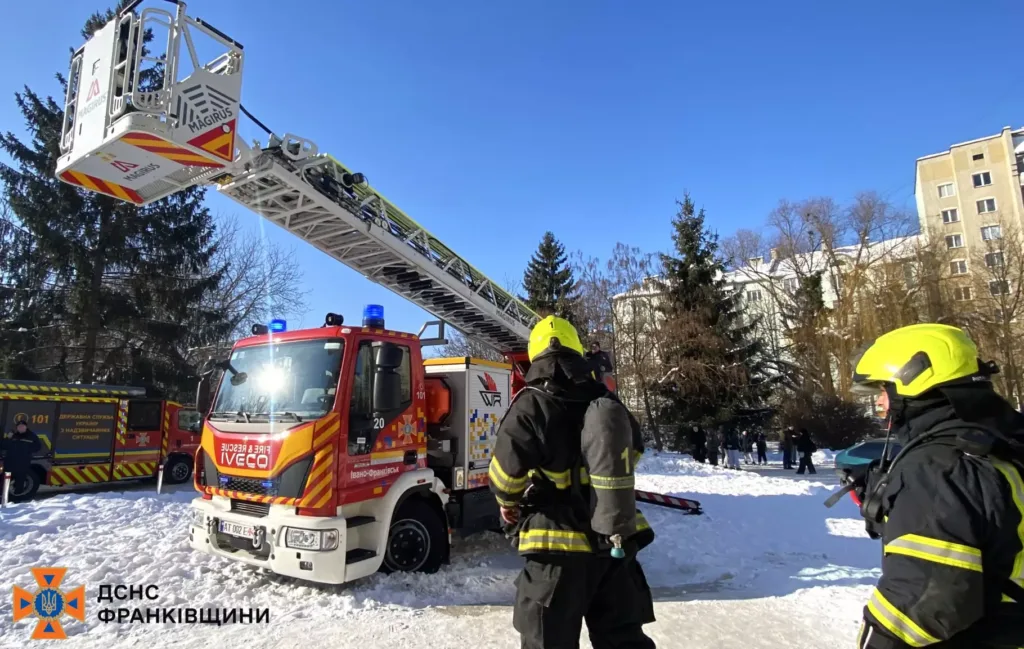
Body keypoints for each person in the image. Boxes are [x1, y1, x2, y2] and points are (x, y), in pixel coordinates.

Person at [850, 323, 1024, 648]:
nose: (881, 405)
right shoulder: (1003, 442)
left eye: (884, 392)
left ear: (913, 382)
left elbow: (925, 599)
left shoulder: (937, 466)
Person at [489, 315, 657, 649]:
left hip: (556, 553)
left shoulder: (531, 403)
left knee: (549, 641)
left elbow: (506, 474)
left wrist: (508, 503)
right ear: (577, 351)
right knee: (623, 639)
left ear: (535, 356)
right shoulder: (607, 400)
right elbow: (632, 451)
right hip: (614, 542)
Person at [1, 417, 42, 499]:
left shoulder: (31, 436)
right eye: (19, 426)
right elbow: (3, 446)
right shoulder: (13, 436)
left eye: (23, 426)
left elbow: (38, 447)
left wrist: (26, 450)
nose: (21, 428)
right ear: (17, 428)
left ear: (26, 427)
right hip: (10, 462)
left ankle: (17, 500)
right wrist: (8, 438)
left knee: (20, 481)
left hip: (22, 463)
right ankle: (4, 497)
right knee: (5, 481)